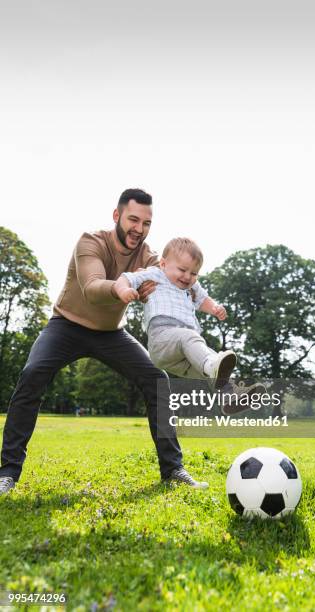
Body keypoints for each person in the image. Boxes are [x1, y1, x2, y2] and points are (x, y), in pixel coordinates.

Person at [0, 188, 208, 496]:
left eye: (146, 223)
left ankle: (173, 469)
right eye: (133, 220)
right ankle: (7, 473)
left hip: (111, 334)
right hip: (66, 326)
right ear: (117, 216)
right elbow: (92, 286)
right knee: (32, 375)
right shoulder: (91, 242)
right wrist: (122, 289)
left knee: (157, 381)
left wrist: (198, 291)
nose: (139, 229)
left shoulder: (148, 256)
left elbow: (178, 272)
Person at [113, 236, 266, 409]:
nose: (187, 277)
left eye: (193, 273)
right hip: (162, 338)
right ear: (163, 264)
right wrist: (124, 290)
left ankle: (229, 397)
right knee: (198, 347)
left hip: (181, 354)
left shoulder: (192, 287)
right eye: (182, 270)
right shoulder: (155, 274)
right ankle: (211, 366)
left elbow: (203, 300)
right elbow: (126, 278)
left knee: (211, 365)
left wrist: (215, 308)